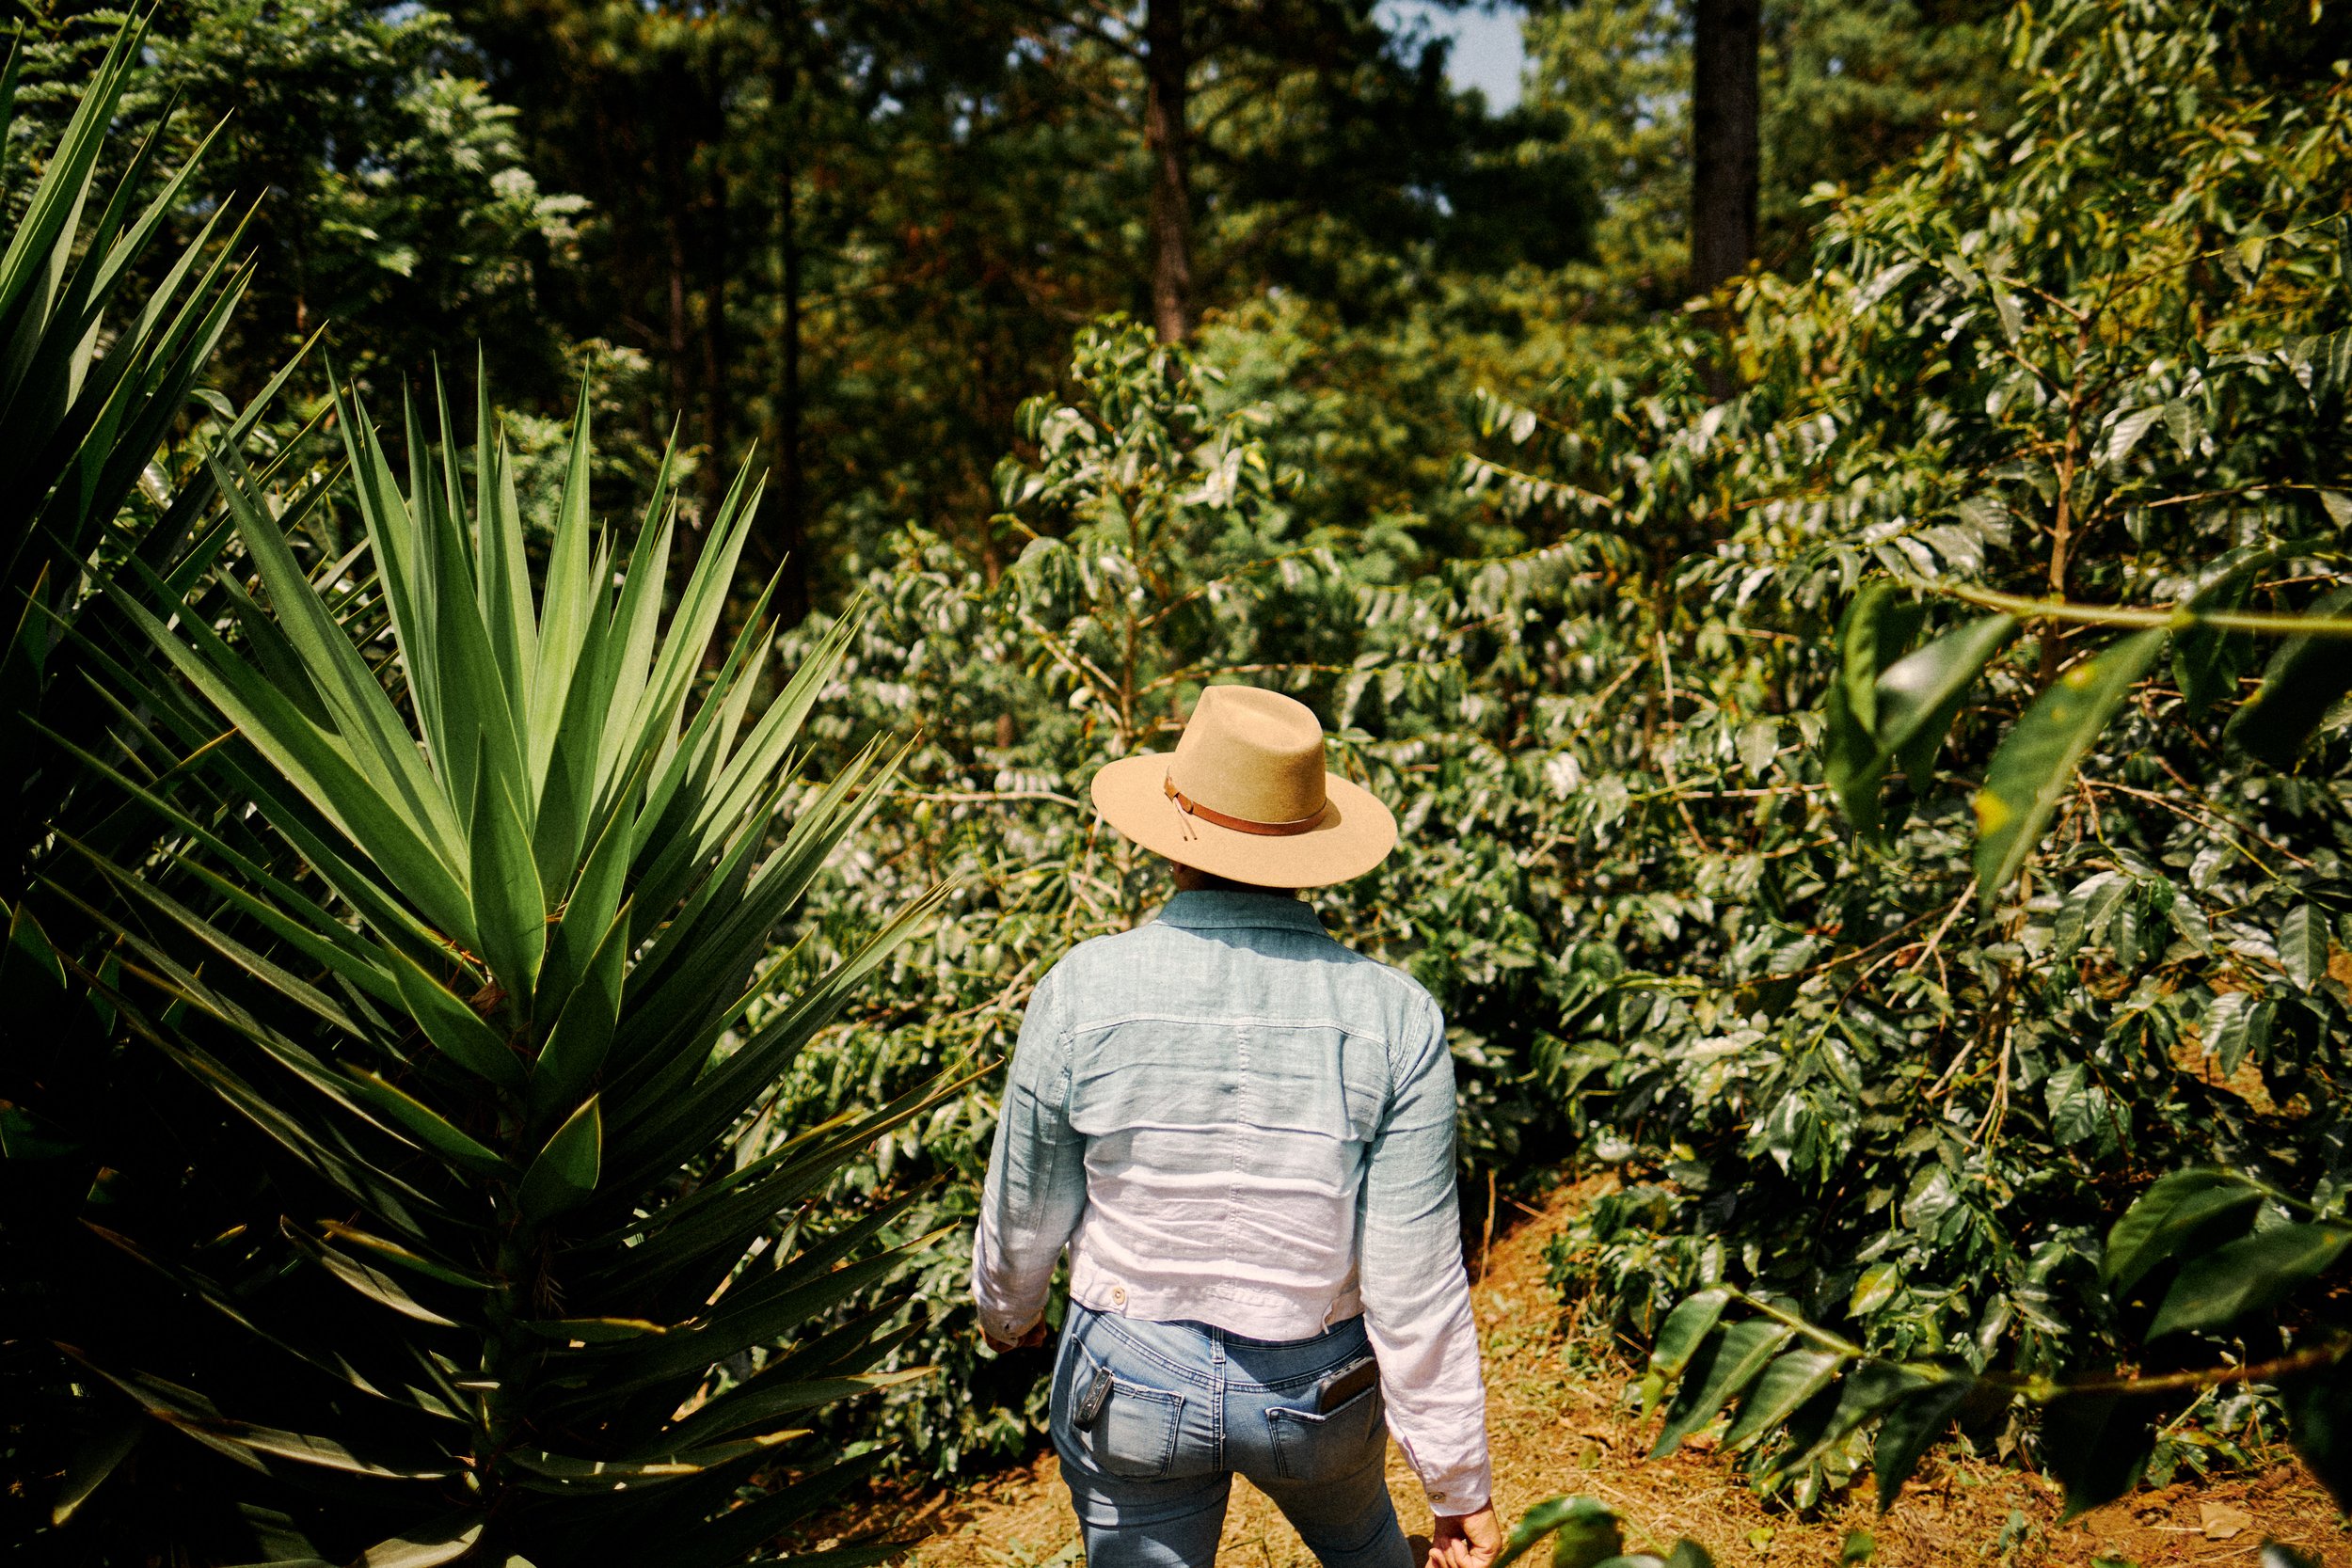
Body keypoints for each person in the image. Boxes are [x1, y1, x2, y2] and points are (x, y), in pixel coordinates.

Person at [971, 683, 1502, 1568]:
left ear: (1171, 837)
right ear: (1311, 846)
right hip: (1316, 1387)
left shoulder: (1082, 989)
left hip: (1129, 1371)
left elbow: (1028, 1206)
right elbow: (1415, 1279)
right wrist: (1459, 1487)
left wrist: (1007, 1310)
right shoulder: (1394, 1015)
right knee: (1371, 1546)